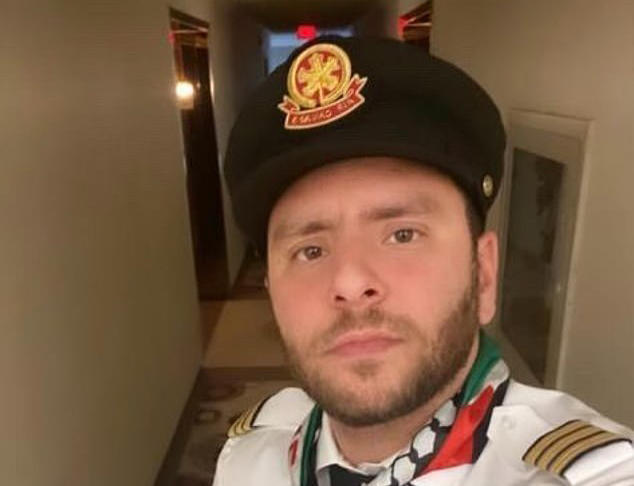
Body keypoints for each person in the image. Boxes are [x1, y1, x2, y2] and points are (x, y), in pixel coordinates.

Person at [213, 36, 634, 485]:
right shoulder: (247, 458)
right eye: (310, 251)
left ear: (483, 274)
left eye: (402, 235)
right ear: (272, 292)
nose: (350, 282)